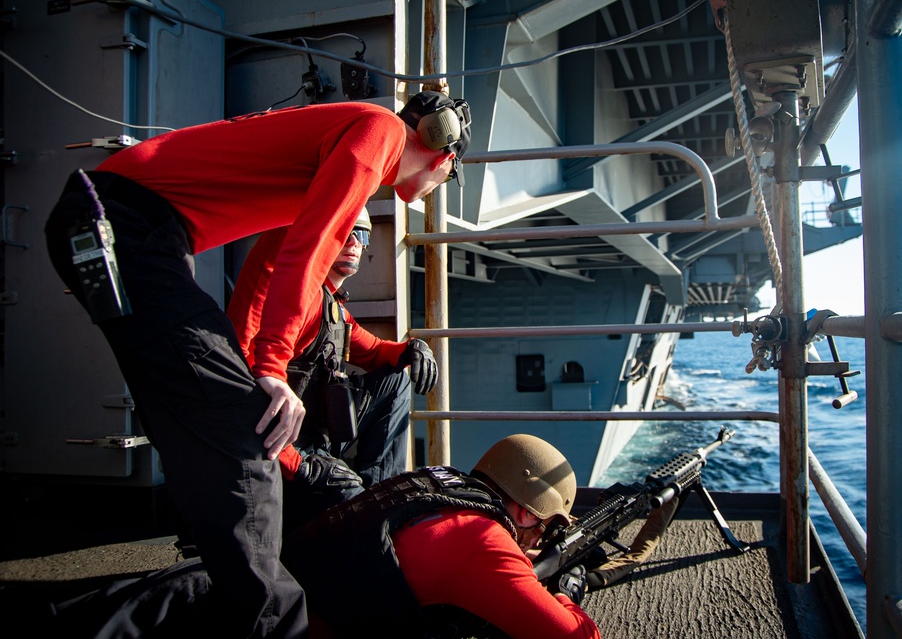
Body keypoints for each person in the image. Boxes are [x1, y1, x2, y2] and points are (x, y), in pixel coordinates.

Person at [43, 91, 472, 638]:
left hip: (127, 229)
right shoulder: (380, 132)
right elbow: (310, 250)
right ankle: (278, 628)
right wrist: (270, 367)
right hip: (125, 225)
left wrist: (393, 353)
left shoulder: (352, 144)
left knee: (203, 436)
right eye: (449, 176)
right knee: (244, 439)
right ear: (443, 154)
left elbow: (274, 263)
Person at [227, 206, 439, 532]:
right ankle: (366, 511)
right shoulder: (294, 295)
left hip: (314, 440)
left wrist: (411, 350)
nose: (355, 242)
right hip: (282, 453)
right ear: (324, 237)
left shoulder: (330, 303)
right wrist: (299, 465)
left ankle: (376, 493)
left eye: (363, 235)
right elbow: (242, 385)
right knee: (352, 507)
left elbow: (373, 350)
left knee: (395, 379)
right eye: (346, 232)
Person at [282, 434, 600, 638]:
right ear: (527, 512)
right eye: (542, 528)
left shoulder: (438, 483)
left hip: (283, 603)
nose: (535, 541)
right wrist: (563, 594)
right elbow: (576, 636)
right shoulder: (483, 541)